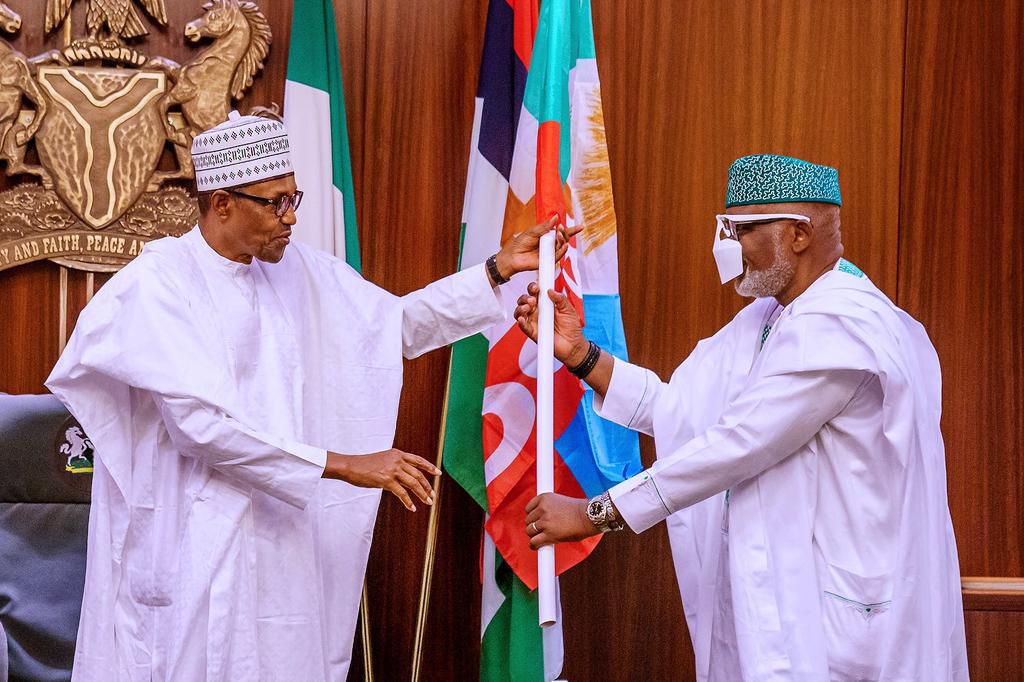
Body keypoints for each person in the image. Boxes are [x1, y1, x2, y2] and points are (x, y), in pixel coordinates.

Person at [47, 110, 575, 681]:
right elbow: (202, 429)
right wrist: (344, 464)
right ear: (222, 203)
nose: (292, 217)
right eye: (275, 203)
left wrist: (496, 269)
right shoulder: (159, 285)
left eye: (293, 196)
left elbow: (390, 327)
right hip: (193, 544)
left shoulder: (295, 272)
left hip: (281, 541)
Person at [515, 154, 968, 680]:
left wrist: (594, 514)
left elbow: (737, 445)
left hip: (841, 624)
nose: (726, 247)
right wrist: (580, 355)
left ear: (798, 234)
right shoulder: (770, 316)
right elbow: (682, 412)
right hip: (774, 600)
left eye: (741, 229)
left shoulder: (846, 325)